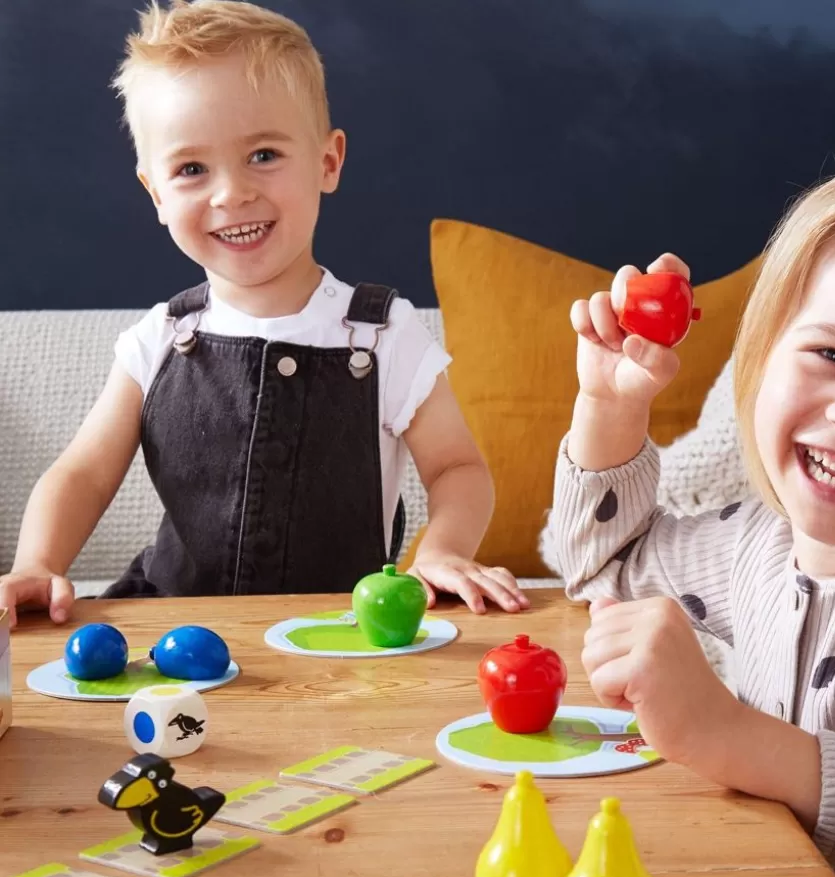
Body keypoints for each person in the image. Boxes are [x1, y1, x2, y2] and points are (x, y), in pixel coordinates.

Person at [551, 156, 835, 877]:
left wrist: (730, 735)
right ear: (760, 358)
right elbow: (605, 568)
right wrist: (610, 405)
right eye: (833, 355)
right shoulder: (756, 543)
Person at [0, 0, 530, 628]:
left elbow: (457, 468)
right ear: (155, 193)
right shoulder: (161, 338)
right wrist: (37, 560)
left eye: (263, 155)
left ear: (327, 162)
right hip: (171, 627)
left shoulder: (383, 332)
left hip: (341, 633)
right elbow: (82, 473)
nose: (233, 193)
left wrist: (441, 552)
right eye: (192, 168)